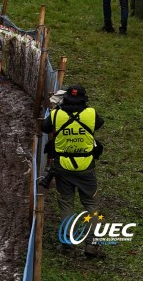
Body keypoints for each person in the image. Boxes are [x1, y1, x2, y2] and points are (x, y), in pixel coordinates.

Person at [41, 85, 105, 258]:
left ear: (66, 98)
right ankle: (92, 244)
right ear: (84, 99)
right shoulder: (91, 113)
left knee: (67, 204)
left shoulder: (56, 115)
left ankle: (68, 246)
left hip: (63, 167)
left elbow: (44, 128)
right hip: (86, 167)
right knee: (91, 205)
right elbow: (99, 124)